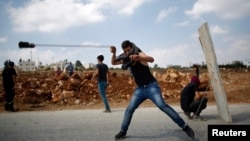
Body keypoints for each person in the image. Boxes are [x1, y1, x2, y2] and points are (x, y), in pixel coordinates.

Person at [110, 40, 195, 140]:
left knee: (162, 106)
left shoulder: (139, 53)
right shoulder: (126, 58)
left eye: (129, 50)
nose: (127, 53)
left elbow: (151, 59)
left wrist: (139, 58)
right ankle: (123, 131)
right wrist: (114, 53)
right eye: (125, 51)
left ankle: (185, 127)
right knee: (129, 109)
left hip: (151, 86)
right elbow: (113, 62)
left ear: (132, 47)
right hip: (140, 89)